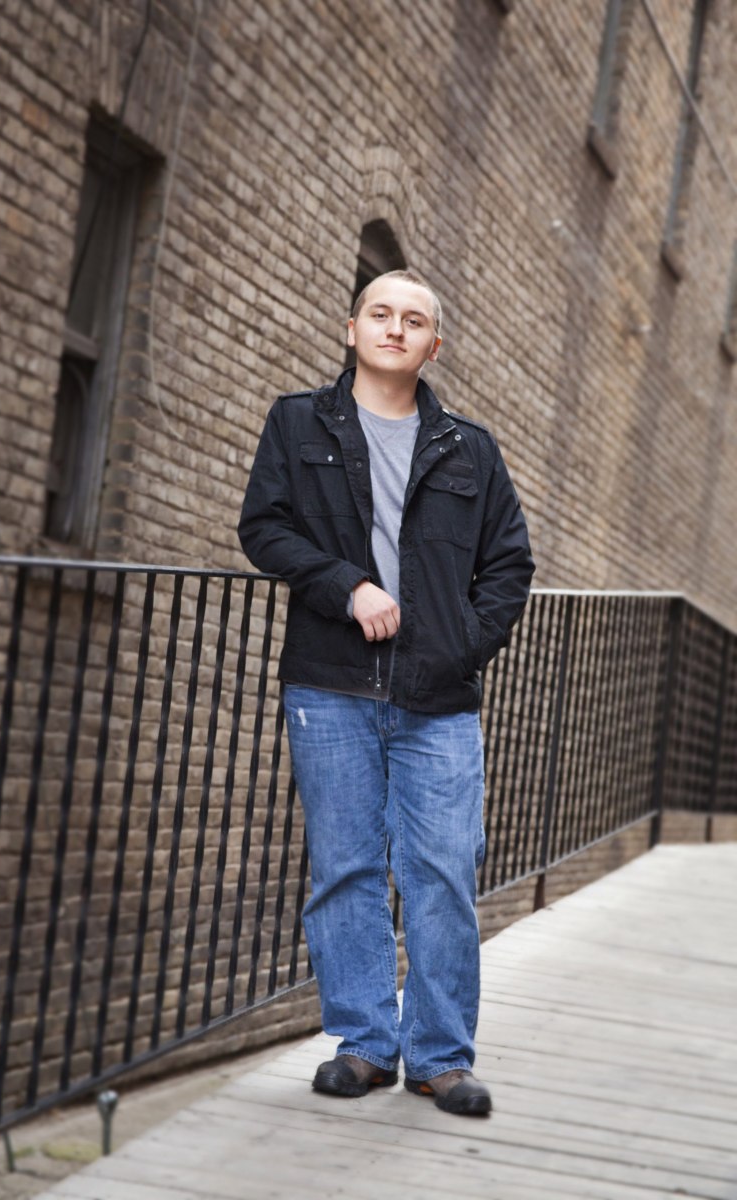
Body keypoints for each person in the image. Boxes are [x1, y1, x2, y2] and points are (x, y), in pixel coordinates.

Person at [238, 269, 534, 1116]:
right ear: (352, 328)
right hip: (329, 684)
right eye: (380, 314)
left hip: (437, 696)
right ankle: (365, 1043)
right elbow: (264, 528)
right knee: (347, 868)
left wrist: (460, 647)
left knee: (443, 870)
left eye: (413, 320)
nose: (395, 328)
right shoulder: (298, 422)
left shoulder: (471, 448)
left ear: (434, 345)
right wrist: (347, 587)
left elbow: (509, 564)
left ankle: (440, 1056)